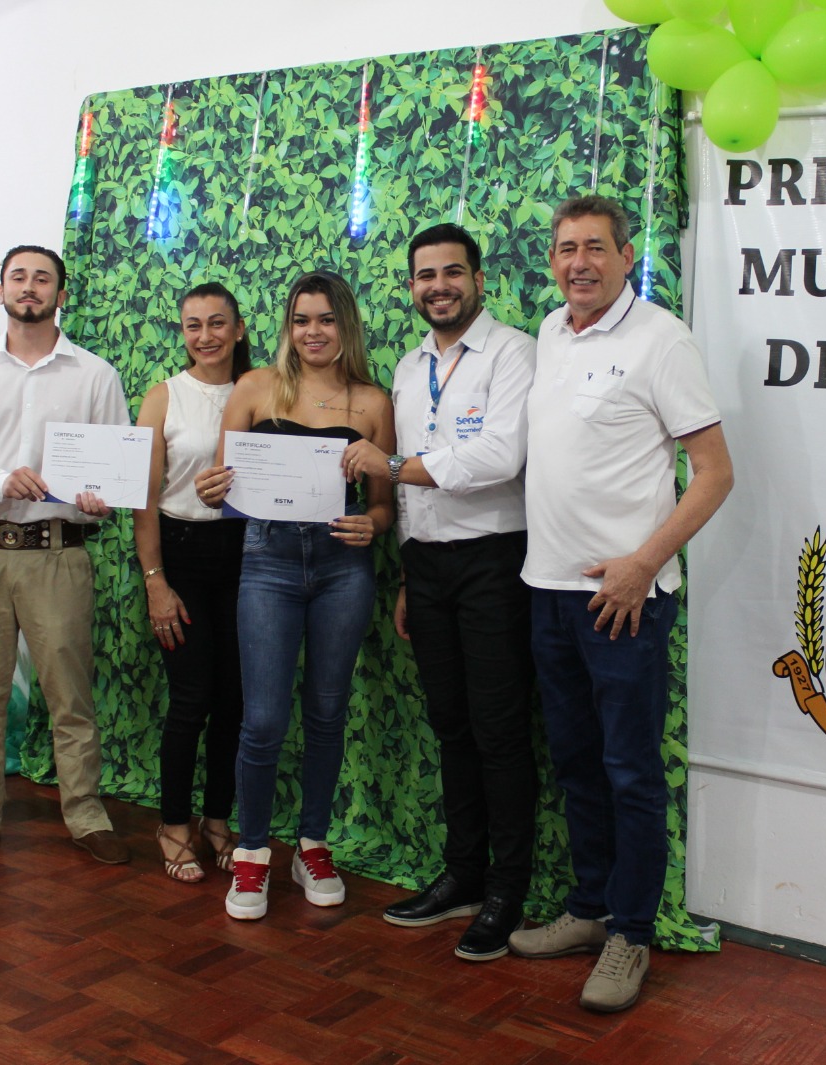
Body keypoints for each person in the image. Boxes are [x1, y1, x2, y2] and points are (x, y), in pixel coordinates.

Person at [508, 196, 734, 1013]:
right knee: (575, 763)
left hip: (623, 602)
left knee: (630, 770)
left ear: (627, 255)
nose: (580, 262)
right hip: (548, 591)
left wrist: (644, 563)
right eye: (567, 248)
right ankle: (590, 907)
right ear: (552, 260)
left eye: (596, 247)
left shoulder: (661, 339)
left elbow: (715, 473)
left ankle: (631, 932)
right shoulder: (549, 332)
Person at [341, 223, 537, 962]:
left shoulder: (513, 352)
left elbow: (500, 456)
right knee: (451, 725)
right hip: (427, 566)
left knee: (499, 730)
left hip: (494, 561)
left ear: (478, 280)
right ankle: (462, 874)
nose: (439, 287)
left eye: (452, 272)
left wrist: (391, 465)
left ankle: (507, 890)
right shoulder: (407, 365)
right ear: (412, 287)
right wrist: (406, 571)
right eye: (426, 276)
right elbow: (413, 492)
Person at [0, 244, 132, 865]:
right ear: (1, 291)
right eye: (19, 277)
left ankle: (85, 814)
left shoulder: (95, 375)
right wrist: (0, 480)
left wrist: (101, 498)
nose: (30, 287)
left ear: (60, 294)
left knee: (70, 696)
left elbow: (113, 470)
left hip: (57, 555)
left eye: (43, 278)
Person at [197, 270, 394, 921]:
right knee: (263, 719)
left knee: (327, 712)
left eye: (326, 319)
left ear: (346, 326)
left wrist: (373, 524)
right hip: (269, 562)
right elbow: (223, 484)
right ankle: (253, 850)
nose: (313, 331)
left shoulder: (373, 402)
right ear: (288, 327)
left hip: (343, 567)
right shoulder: (255, 388)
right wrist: (211, 488)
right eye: (302, 319)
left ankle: (312, 843)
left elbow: (384, 506)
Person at [133, 282, 252, 882]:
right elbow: (143, 499)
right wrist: (156, 582)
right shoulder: (163, 397)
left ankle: (217, 819)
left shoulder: (261, 390)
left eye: (217, 323)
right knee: (191, 698)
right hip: (180, 555)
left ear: (238, 329)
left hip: (246, 555)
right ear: (182, 333)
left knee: (235, 698)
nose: (205, 336)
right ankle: (173, 823)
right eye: (193, 325)